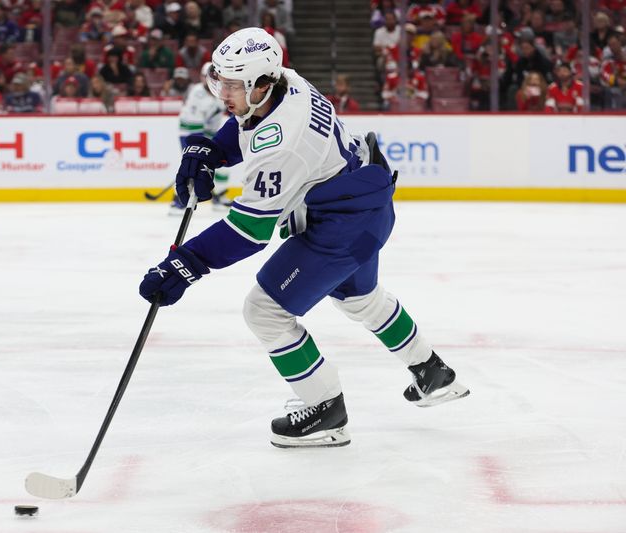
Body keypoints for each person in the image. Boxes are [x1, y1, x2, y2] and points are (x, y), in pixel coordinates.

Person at [138, 28, 469, 449]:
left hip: (340, 225)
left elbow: (250, 231)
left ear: (261, 83)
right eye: (220, 81)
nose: (223, 94)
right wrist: (213, 152)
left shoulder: (285, 145)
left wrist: (186, 263)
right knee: (360, 299)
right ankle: (431, 371)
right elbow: (247, 126)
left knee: (265, 312)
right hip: (365, 205)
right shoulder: (286, 81)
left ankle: (325, 411)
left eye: (234, 85)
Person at [169, 61, 232, 215]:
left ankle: (220, 196)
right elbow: (194, 126)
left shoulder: (222, 92)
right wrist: (202, 148)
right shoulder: (196, 94)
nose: (211, 80)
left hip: (210, 133)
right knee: (193, 165)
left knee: (224, 163)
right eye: (207, 76)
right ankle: (177, 201)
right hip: (190, 133)